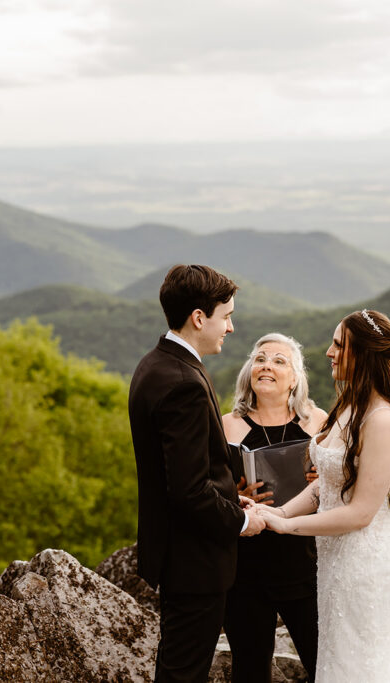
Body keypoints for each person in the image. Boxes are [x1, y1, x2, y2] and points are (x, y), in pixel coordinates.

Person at [259, 309, 390, 682]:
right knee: (336, 660)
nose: (328, 352)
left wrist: (287, 528)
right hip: (336, 559)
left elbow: (359, 513)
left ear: (365, 354)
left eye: (339, 344)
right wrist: (274, 514)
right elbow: (326, 485)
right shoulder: (349, 407)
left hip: (365, 562)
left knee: (361, 665)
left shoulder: (382, 419)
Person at [128, 264, 267, 682]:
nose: (231, 326)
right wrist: (242, 519)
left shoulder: (156, 364)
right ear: (199, 317)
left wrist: (228, 495)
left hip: (177, 553)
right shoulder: (182, 381)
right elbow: (187, 489)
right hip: (194, 559)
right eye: (226, 315)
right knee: (184, 673)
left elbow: (188, 466)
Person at [221, 333, 328, 682]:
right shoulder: (227, 425)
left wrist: (321, 479)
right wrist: (234, 491)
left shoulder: (317, 422)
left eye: (279, 361)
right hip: (247, 568)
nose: (266, 365)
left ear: (295, 378)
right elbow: (207, 491)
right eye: (260, 358)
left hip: (306, 562)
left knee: (323, 663)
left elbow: (343, 486)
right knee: (250, 671)